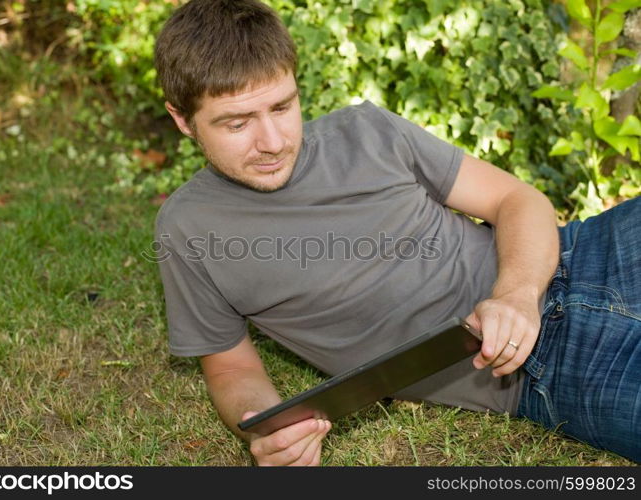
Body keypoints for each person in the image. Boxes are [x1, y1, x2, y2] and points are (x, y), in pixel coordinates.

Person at [153, 0, 641, 465]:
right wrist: (266, 428)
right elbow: (232, 367)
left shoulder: (366, 131)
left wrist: (515, 295)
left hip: (585, 252)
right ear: (183, 119)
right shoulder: (188, 230)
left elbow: (516, 199)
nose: (273, 143)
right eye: (237, 124)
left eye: (282, 107)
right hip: (536, 368)